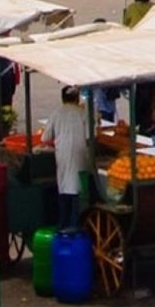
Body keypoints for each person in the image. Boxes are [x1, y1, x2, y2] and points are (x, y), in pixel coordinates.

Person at [50, 89, 92, 229]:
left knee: (64, 188)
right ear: (77, 99)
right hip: (80, 155)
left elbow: (45, 137)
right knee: (77, 189)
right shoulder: (82, 113)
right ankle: (75, 227)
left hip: (61, 156)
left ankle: (63, 226)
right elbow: (90, 136)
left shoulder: (56, 113)